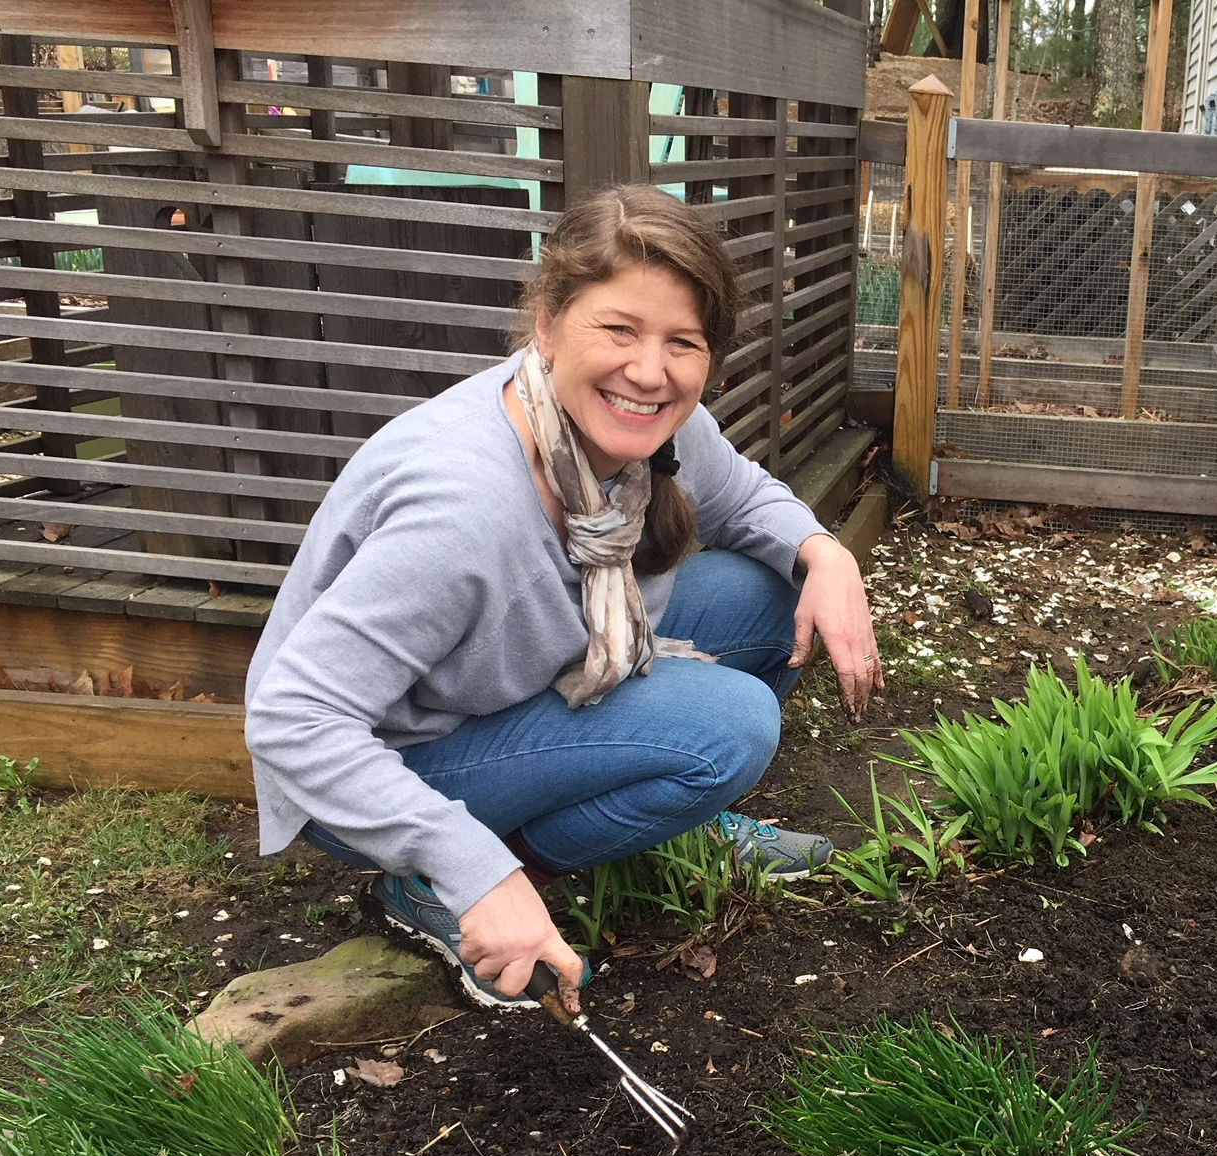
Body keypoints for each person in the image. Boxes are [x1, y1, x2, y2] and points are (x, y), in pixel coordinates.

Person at [245, 186, 881, 1011]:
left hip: (529, 679)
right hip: (401, 761)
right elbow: (292, 719)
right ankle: (445, 884)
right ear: (547, 320)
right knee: (730, 727)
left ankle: (664, 814)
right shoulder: (464, 509)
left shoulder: (656, 425)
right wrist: (475, 868)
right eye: (618, 329)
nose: (649, 371)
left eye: (681, 343)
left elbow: (748, 499)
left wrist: (827, 555)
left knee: (772, 589)